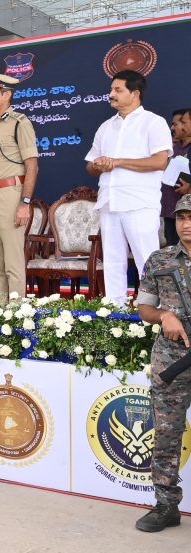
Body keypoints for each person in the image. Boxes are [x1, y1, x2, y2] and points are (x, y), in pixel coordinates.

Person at [86, 69, 171, 304]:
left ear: (135, 94)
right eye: (111, 89)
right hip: (109, 202)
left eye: (117, 90)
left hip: (139, 202)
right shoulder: (105, 127)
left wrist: (118, 161)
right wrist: (99, 164)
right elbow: (90, 167)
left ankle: (153, 310)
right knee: (113, 260)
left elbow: (160, 161)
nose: (110, 94)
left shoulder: (154, 122)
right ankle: (116, 310)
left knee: (147, 259)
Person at [134, 194, 191, 532]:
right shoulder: (159, 259)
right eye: (181, 217)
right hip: (171, 359)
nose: (186, 223)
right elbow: (144, 308)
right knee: (168, 434)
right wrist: (164, 316)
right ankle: (167, 505)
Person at [0, 73, 40, 302]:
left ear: (7, 94)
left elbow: (32, 166)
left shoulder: (20, 123)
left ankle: (15, 314)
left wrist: (25, 203)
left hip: (11, 195)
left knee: (13, 260)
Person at [161, 108, 191, 246]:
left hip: (187, 211)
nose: (173, 128)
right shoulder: (173, 147)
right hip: (170, 210)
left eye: (181, 123)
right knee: (173, 252)